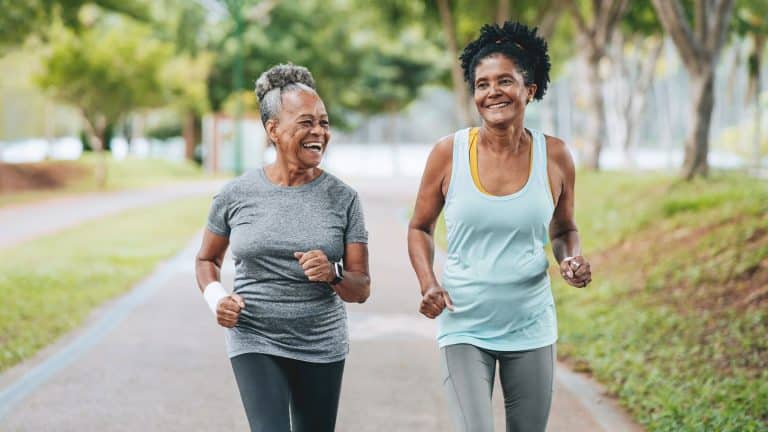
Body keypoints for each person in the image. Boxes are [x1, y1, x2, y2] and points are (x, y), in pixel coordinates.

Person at [407, 22, 592, 432]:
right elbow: (419, 227)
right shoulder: (448, 153)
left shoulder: (556, 155)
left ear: (530, 89)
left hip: (530, 323)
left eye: (505, 81)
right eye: (482, 84)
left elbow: (564, 229)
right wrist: (428, 283)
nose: (493, 92)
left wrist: (571, 259)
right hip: (464, 321)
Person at [195, 64, 370, 432]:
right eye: (306, 122)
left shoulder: (344, 199)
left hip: (320, 341)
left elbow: (361, 288)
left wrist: (333, 273)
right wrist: (217, 299)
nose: (319, 132)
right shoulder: (236, 194)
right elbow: (207, 259)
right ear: (273, 129)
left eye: (323, 123)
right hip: (253, 334)